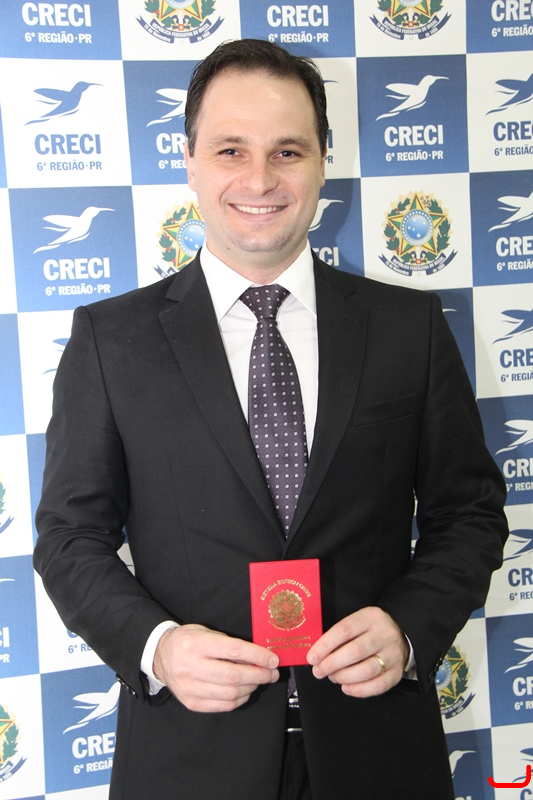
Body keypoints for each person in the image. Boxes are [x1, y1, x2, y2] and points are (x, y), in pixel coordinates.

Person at [34, 39, 508, 800]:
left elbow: (470, 513)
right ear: (189, 161)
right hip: (189, 758)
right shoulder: (109, 340)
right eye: (231, 150)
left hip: (378, 748)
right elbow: (68, 537)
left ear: (322, 161)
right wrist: (158, 648)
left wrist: (408, 626)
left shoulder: (408, 328)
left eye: (287, 151)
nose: (259, 179)